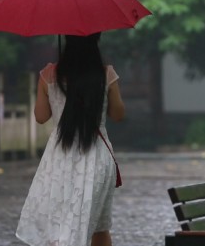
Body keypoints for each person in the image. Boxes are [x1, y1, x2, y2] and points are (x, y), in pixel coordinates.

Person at [16, 33, 125, 246]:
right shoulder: (106, 74)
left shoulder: (48, 75)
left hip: (60, 156)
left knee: (59, 221)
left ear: (66, 41)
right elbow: (118, 115)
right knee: (99, 227)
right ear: (96, 41)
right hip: (96, 157)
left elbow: (40, 117)